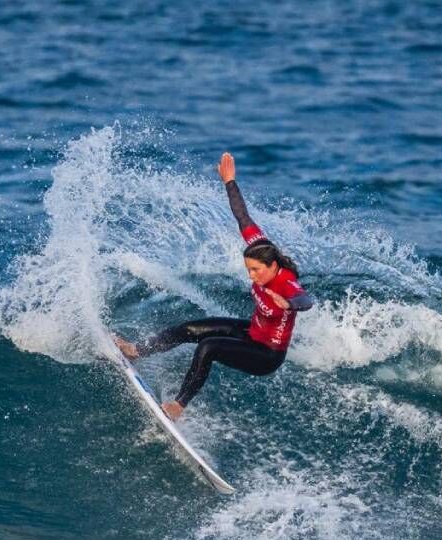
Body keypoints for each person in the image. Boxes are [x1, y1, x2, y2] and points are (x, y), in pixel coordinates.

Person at [115, 152, 314, 420]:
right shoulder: (262, 248)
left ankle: (178, 406)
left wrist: (289, 303)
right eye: (248, 269)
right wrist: (229, 182)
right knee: (188, 329)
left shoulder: (286, 281)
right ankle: (136, 351)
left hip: (267, 355)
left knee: (208, 347)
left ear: (272, 266)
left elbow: (306, 300)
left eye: (256, 270)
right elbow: (243, 218)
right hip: (252, 332)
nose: (252, 275)